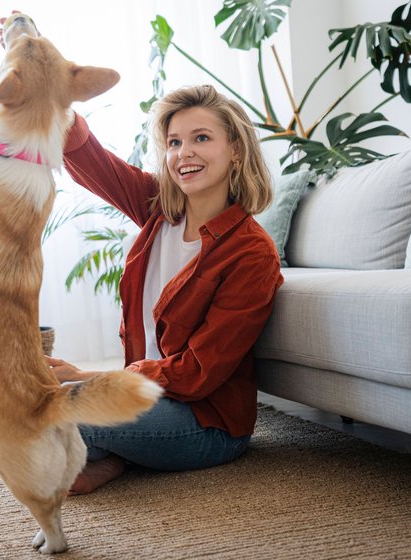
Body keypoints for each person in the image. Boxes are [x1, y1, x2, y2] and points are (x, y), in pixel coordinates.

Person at [46, 84, 284, 495]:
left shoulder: (251, 253)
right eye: (174, 142)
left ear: (236, 151)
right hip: (146, 400)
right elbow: (93, 162)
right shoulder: (158, 209)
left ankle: (113, 457)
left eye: (201, 138)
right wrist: (44, 81)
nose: (183, 153)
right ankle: (118, 456)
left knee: (62, 414)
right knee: (30, 407)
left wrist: (96, 379)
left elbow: (197, 374)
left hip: (205, 422)